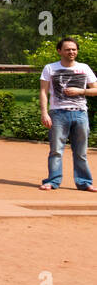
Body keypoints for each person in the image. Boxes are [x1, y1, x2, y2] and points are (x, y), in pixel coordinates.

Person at [39, 36, 97, 191]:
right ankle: (53, 181)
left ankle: (84, 182)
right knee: (56, 150)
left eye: (74, 49)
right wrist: (45, 113)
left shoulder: (84, 68)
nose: (71, 52)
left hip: (80, 114)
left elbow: (96, 89)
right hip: (58, 114)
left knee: (81, 151)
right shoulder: (50, 68)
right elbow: (43, 92)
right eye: (67, 49)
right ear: (59, 51)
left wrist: (81, 90)